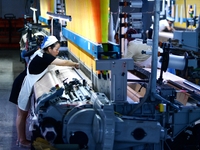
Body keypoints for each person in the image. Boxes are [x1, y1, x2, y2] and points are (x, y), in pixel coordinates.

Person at [9, 35, 79, 148]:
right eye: (56, 50)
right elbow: (64, 63)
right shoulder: (45, 57)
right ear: (49, 49)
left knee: (23, 114)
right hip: (22, 85)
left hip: (23, 81)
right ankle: (21, 140)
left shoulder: (41, 53)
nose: (57, 52)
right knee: (22, 114)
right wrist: (75, 64)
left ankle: (20, 139)